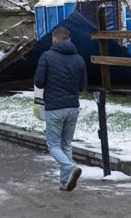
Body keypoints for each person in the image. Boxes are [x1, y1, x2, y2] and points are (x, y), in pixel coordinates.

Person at [34, 27, 87, 191]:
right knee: (67, 145)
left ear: (54, 40)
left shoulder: (47, 56)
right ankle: (65, 182)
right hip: (72, 107)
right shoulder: (79, 59)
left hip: (55, 108)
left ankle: (70, 167)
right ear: (69, 39)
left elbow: (39, 82)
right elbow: (82, 86)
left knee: (54, 145)